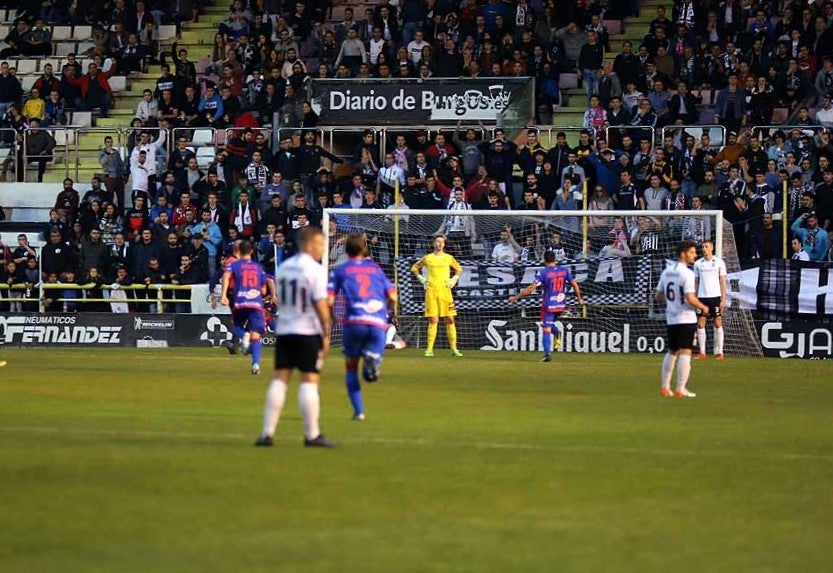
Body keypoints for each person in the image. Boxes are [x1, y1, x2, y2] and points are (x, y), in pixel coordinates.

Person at [255, 227, 334, 448]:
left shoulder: (285, 268)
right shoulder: (315, 270)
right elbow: (320, 304)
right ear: (309, 244)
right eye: (320, 244)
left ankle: (267, 433)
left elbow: (282, 299)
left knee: (280, 378)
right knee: (309, 380)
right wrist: (326, 334)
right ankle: (312, 435)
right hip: (307, 331)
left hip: (285, 330)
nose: (322, 249)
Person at [327, 234, 397, 421]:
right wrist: (385, 310)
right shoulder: (376, 269)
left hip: (354, 323)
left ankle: (359, 412)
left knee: (351, 368)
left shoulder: (340, 271)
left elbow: (329, 299)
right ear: (364, 249)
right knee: (370, 368)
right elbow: (393, 297)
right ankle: (373, 360)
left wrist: (333, 317)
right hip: (376, 323)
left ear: (346, 250)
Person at [654, 240, 711, 398]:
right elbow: (690, 298)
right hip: (686, 318)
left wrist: (673, 302)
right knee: (686, 351)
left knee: (672, 350)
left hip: (671, 317)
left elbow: (658, 296)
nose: (695, 255)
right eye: (692, 252)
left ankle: (665, 387)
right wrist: (703, 307)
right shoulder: (688, 273)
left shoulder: (666, 271)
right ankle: (680, 388)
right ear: (683, 254)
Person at [507, 250, 585, 362]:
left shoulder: (543, 273)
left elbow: (531, 289)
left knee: (546, 329)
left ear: (544, 260)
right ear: (554, 259)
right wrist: (580, 299)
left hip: (549, 305)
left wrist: (516, 298)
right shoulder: (564, 270)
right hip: (561, 305)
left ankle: (547, 354)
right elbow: (574, 284)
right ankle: (557, 333)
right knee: (548, 324)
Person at [221, 240, 275, 376]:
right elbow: (263, 290)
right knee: (256, 337)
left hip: (240, 301)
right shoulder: (258, 267)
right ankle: (255, 364)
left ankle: (244, 335)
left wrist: (223, 295)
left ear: (239, 251)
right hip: (256, 304)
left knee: (238, 326)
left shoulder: (235, 264)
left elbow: (226, 275)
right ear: (251, 251)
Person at [410, 235, 463, 358]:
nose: (439, 244)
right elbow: (414, 268)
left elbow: (459, 269)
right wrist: (421, 278)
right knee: (433, 320)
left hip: (445, 292)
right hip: (432, 292)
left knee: (450, 319)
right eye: (437, 241)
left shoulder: (449, 258)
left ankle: (454, 348)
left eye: (442, 242)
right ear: (434, 243)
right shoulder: (428, 258)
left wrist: (454, 279)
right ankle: (429, 349)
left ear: (444, 244)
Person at [693, 240, 727, 360]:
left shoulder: (719, 262)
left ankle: (720, 352)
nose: (704, 249)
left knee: (717, 322)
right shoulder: (698, 264)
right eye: (702, 247)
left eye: (706, 246)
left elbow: (722, 281)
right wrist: (694, 297)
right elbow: (696, 282)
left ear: (712, 248)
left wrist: (723, 299)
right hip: (702, 297)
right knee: (701, 323)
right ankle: (702, 352)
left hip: (715, 297)